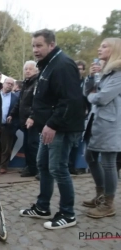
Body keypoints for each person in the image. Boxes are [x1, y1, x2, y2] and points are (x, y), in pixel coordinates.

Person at [19, 29, 85, 230]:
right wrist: (36, 117)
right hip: (48, 125)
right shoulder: (48, 65)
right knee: (43, 165)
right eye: (33, 46)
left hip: (60, 128)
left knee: (58, 168)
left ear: (51, 45)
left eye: (39, 45)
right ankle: (42, 207)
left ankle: (67, 213)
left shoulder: (63, 65)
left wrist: (52, 124)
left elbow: (70, 100)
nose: (35, 50)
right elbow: (46, 98)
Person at [82, 37, 121, 218]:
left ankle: (108, 203)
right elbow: (87, 92)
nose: (99, 49)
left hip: (109, 125)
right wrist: (91, 77)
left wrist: (92, 95)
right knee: (89, 156)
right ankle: (100, 194)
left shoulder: (119, 73)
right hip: (95, 122)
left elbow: (100, 98)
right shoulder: (107, 72)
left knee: (108, 163)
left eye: (104, 46)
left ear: (114, 50)